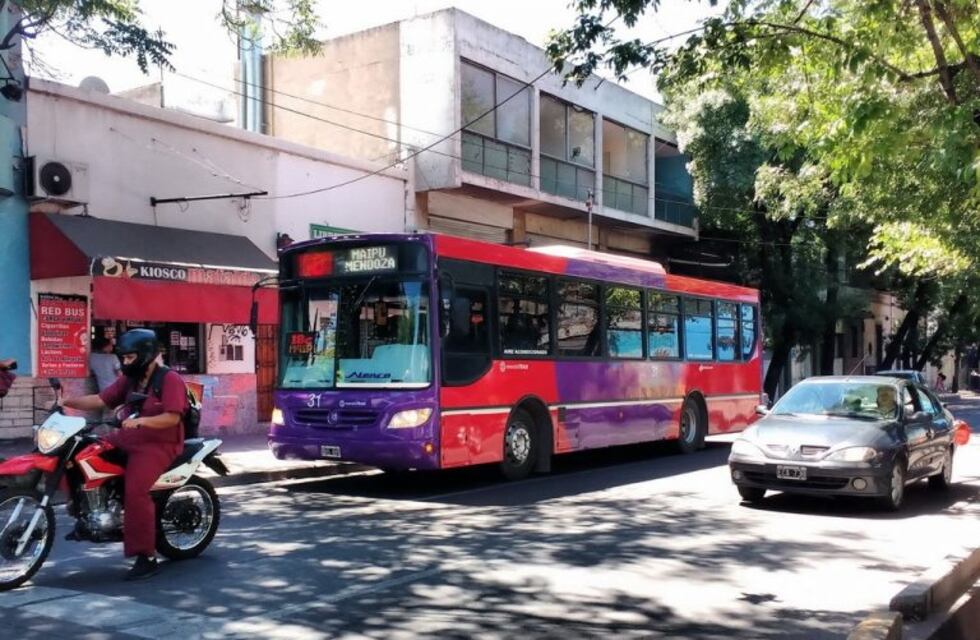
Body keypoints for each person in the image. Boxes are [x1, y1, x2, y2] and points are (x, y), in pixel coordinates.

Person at [60, 329, 187, 581]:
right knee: (78, 453)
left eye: (130, 358)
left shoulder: (169, 379)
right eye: (124, 358)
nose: (125, 363)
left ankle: (146, 557)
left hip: (158, 443)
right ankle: (83, 511)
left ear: (146, 355)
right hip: (128, 438)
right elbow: (100, 399)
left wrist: (142, 423)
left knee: (136, 491)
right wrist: (67, 402)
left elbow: (172, 417)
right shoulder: (131, 379)